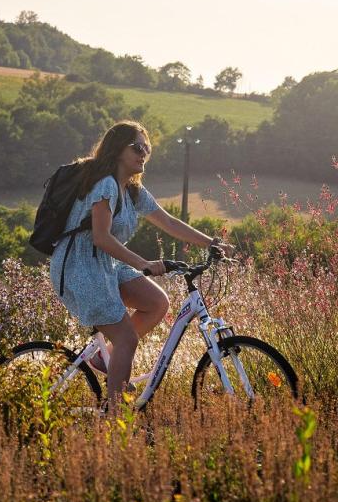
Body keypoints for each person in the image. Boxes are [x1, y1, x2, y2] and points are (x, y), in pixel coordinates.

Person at [50, 119, 233, 409]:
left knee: (156, 303)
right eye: (137, 147)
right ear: (117, 150)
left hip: (106, 264)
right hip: (79, 267)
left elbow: (170, 222)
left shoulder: (133, 191)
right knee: (127, 340)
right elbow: (100, 237)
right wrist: (143, 262)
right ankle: (114, 419)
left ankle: (104, 358)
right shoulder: (106, 185)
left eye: (147, 148)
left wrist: (211, 243)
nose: (143, 153)